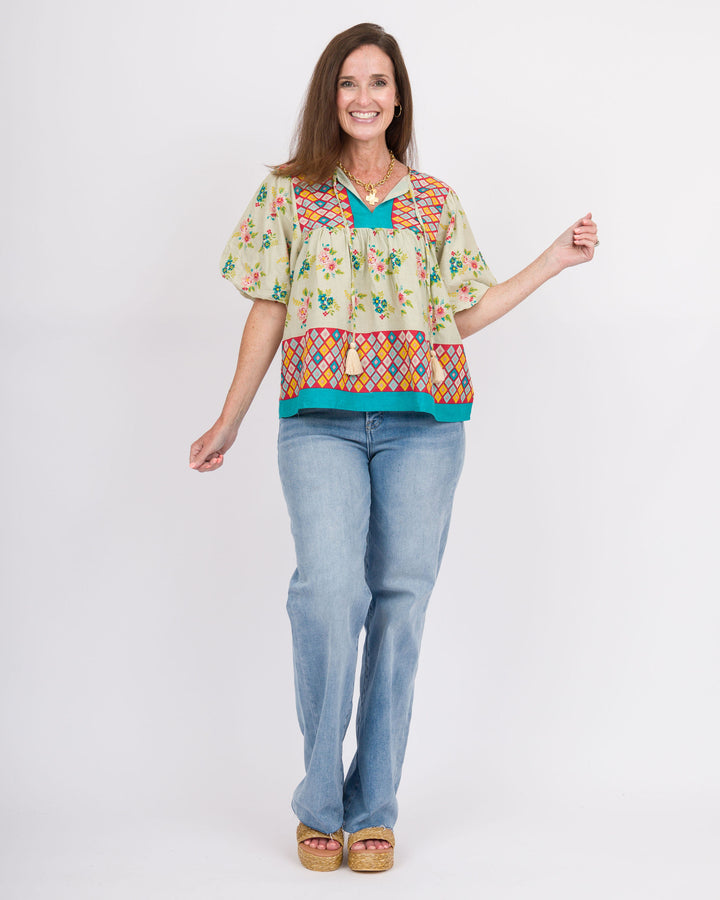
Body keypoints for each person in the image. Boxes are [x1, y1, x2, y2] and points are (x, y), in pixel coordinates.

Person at [189, 22, 598, 873]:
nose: (363, 97)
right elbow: (268, 307)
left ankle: (373, 808)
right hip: (320, 423)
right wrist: (229, 418)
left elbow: (463, 312)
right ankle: (320, 802)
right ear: (329, 97)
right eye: (349, 83)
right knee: (328, 594)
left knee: (401, 607)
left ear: (398, 97)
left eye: (378, 82)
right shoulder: (289, 195)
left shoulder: (435, 202)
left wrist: (553, 261)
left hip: (424, 426)